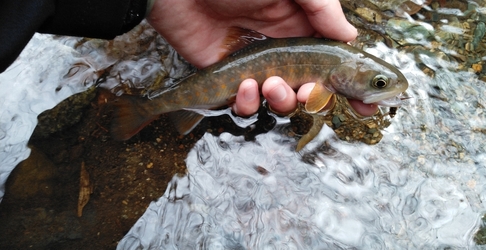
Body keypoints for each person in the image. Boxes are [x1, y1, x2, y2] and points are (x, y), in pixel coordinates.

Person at [0, 0, 378, 116]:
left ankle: (154, 108)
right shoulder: (333, 68)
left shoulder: (333, 62)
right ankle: (149, 109)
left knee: (244, 92)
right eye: (378, 83)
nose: (379, 89)